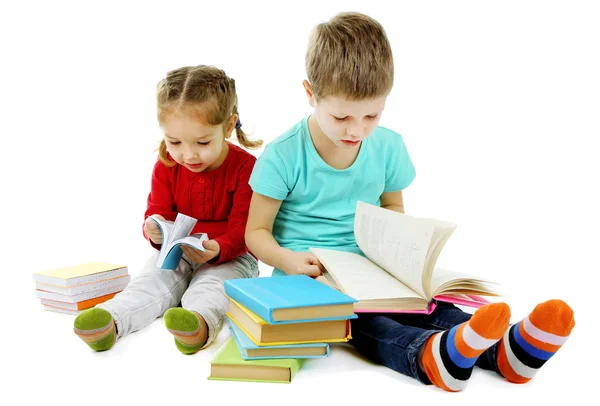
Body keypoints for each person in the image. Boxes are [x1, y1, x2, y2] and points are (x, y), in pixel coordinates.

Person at [245, 12, 575, 391]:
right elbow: (256, 232)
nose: (357, 130)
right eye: (341, 116)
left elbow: (392, 209)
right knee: (367, 322)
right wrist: (288, 259)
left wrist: (396, 250)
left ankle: (508, 351)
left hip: (369, 267)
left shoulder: (387, 146)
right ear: (310, 94)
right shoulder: (284, 155)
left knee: (426, 305)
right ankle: (426, 356)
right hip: (312, 280)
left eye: (372, 114)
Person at [74, 65, 261, 354]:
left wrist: (218, 248)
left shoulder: (245, 167)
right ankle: (110, 321)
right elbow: (158, 212)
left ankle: (197, 324)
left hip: (230, 256)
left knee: (213, 287)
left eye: (202, 142)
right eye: (174, 142)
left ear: (228, 125)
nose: (188, 154)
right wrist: (154, 227)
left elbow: (246, 228)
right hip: (179, 252)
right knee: (150, 281)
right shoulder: (166, 165)